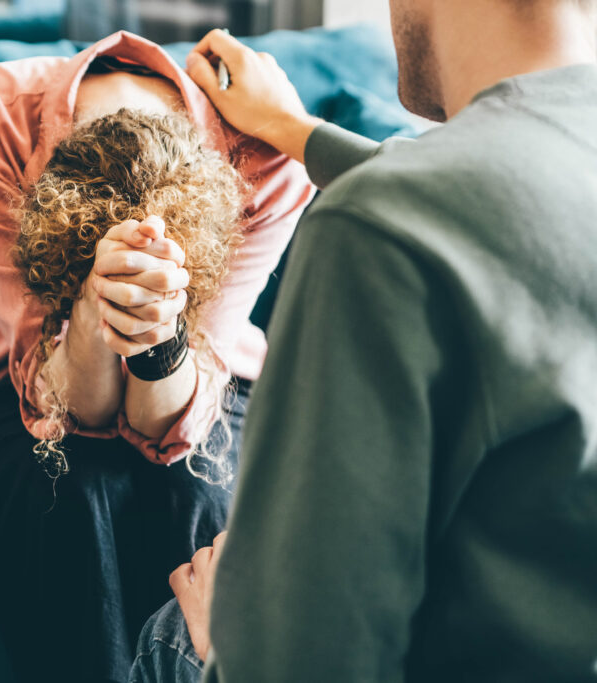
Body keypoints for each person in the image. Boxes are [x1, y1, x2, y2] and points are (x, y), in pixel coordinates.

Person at [130, 0, 597, 681]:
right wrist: (295, 131)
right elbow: (509, 208)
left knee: (174, 635)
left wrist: (222, 649)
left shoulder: (382, 231)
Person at [0, 30, 314, 683]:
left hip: (206, 387)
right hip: (2, 388)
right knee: (74, 484)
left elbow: (163, 429)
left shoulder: (265, 157)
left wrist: (161, 337)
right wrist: (90, 307)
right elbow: (74, 411)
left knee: (194, 482)